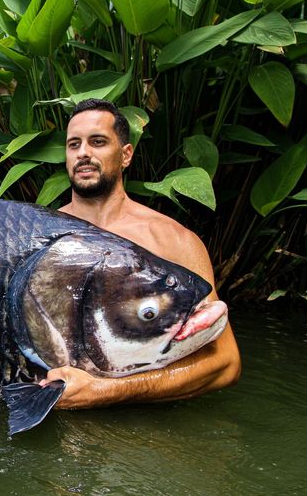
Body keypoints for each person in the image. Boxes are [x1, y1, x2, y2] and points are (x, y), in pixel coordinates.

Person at [40, 98, 241, 408]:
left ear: (126, 154)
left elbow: (225, 362)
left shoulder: (173, 240)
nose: (83, 153)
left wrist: (103, 392)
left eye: (98, 142)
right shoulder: (39, 236)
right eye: (73, 144)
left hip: (146, 426)